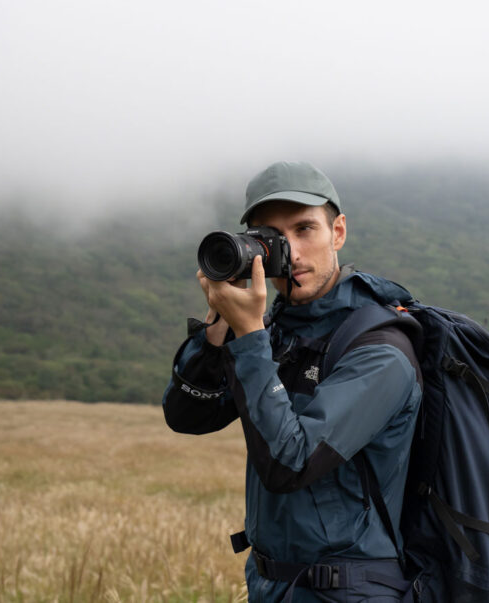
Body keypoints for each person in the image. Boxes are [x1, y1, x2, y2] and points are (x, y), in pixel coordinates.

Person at [164, 161, 423, 602]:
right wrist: (217, 331)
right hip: (270, 584)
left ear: (338, 232)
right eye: (272, 237)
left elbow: (291, 464)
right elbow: (187, 416)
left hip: (350, 590)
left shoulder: (380, 349)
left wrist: (249, 337)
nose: (293, 252)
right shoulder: (275, 328)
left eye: (306, 229)